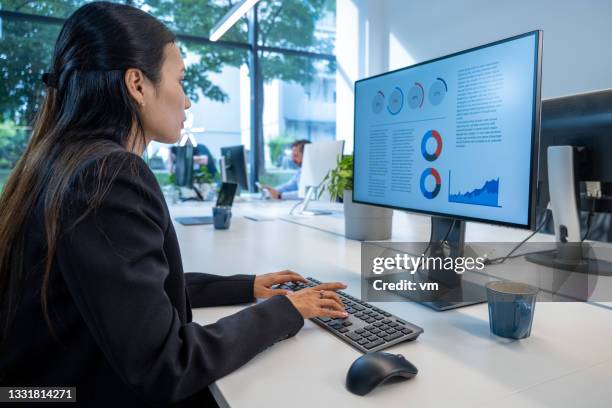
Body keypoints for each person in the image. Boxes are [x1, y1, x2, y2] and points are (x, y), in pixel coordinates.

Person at [0, 3, 347, 406]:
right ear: (137, 84)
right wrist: (287, 311)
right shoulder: (108, 175)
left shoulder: (66, 160)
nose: (186, 101)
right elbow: (166, 365)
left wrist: (246, 286)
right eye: (180, 81)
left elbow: (130, 292)